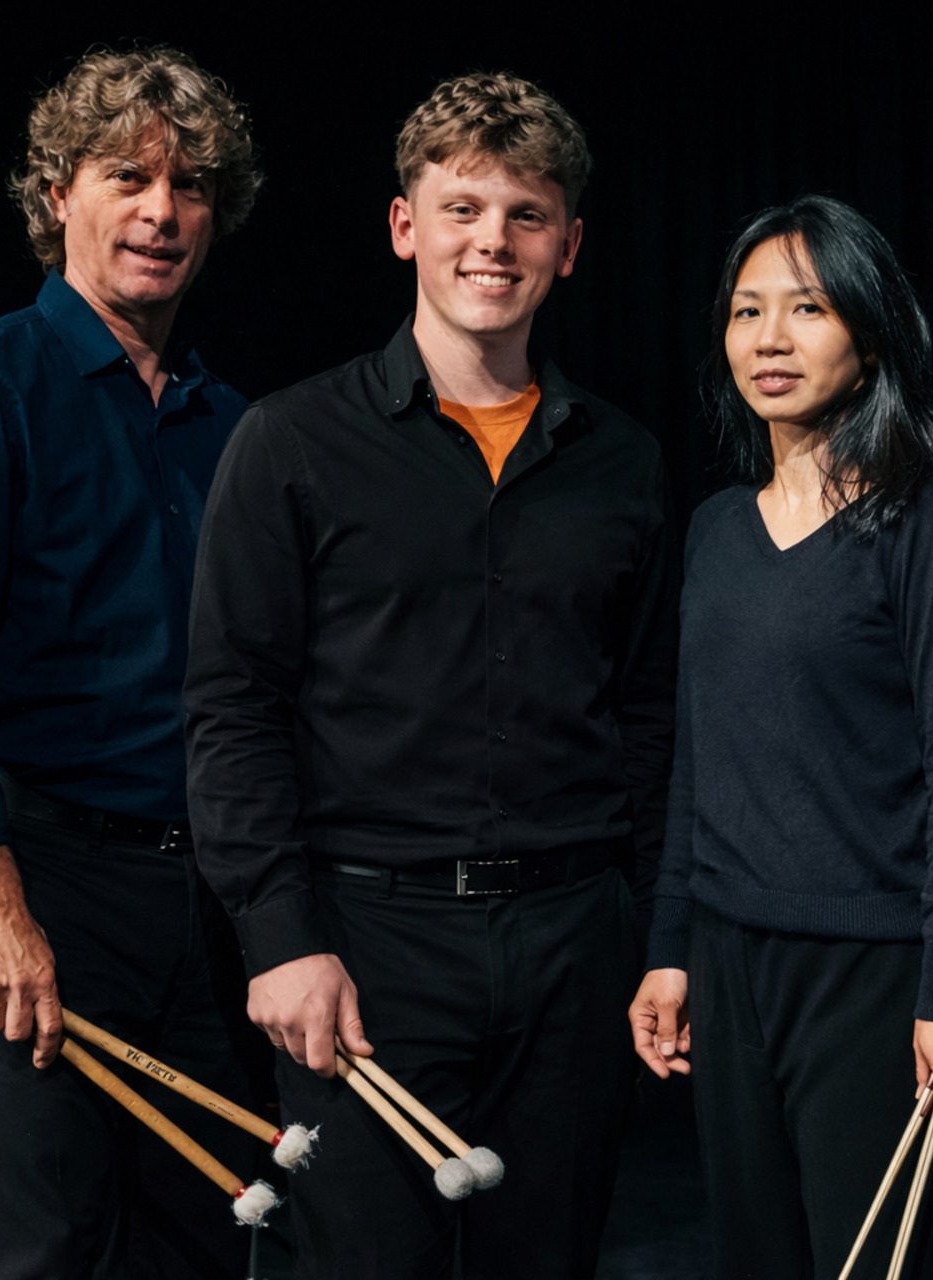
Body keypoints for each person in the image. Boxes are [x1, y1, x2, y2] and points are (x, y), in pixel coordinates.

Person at [183, 71, 677, 1279]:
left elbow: (653, 714)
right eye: (463, 208)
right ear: (406, 226)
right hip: (365, 943)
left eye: (525, 214)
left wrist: (657, 934)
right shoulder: (291, 440)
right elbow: (234, 706)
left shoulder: (623, 461)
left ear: (568, 245)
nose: (491, 241)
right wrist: (278, 937)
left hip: (573, 943)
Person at [0, 47, 263, 1279]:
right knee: (34, 1248)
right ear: (56, 196)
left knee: (203, 1244)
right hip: (45, 882)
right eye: (126, 176)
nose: (161, 210)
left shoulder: (232, 424)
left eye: (191, 185)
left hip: (208, 899)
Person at [627, 195, 933, 1280]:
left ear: (871, 337)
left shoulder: (925, 522)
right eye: (747, 311)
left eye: (808, 308)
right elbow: (697, 759)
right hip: (729, 957)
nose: (770, 339)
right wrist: (668, 945)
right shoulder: (716, 529)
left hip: (874, 970)